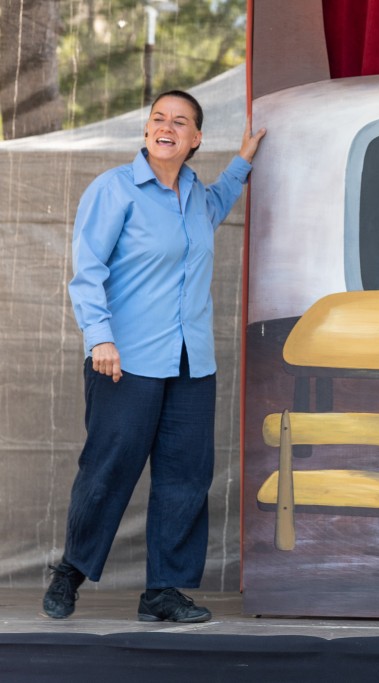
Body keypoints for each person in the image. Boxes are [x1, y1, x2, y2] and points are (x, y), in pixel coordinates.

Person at [42, 90, 266, 622]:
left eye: (180, 122)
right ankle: (70, 571)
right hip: (124, 359)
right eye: (159, 118)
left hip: (192, 363)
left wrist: (244, 159)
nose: (167, 127)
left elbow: (221, 198)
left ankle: (163, 591)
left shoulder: (197, 196)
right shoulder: (114, 189)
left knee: (186, 477)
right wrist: (100, 337)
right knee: (108, 469)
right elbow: (87, 271)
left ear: (196, 139)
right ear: (146, 131)